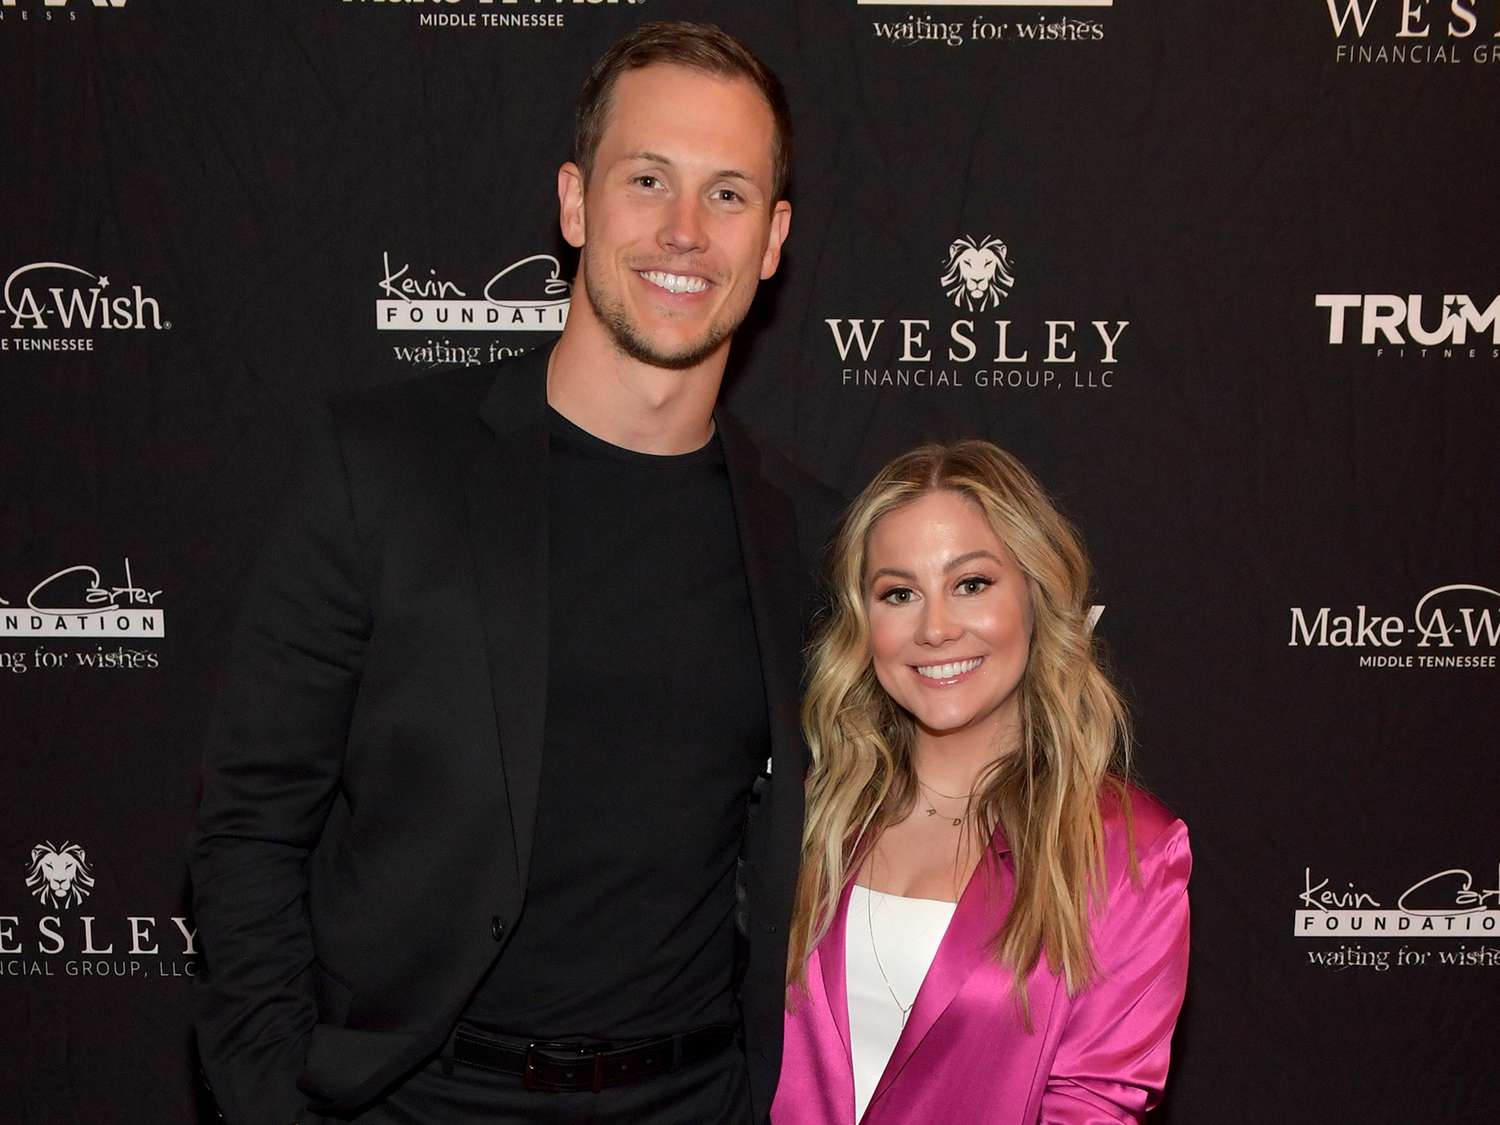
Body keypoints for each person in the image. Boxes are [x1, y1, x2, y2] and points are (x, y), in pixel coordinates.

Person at [189, 22, 840, 1125]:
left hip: (693, 1100)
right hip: (420, 1100)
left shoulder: (808, 532)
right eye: (648, 180)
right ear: (577, 203)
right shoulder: (386, 468)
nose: (684, 231)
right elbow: (251, 821)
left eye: (728, 195)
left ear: (772, 239)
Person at [771, 441, 1190, 1125]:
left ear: (1035, 593)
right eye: (899, 593)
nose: (936, 628)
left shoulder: (1128, 851)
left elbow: (1093, 1107)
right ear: (862, 622)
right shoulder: (809, 811)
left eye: (971, 584)